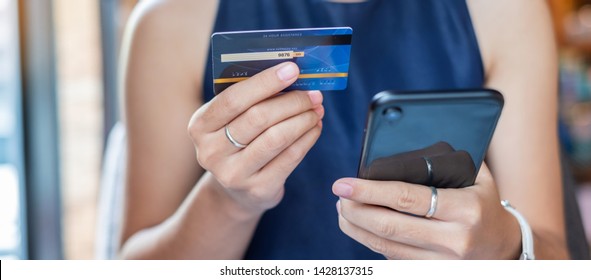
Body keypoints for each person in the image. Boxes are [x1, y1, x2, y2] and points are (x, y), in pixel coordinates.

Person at [116, 0, 568, 259]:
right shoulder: (171, 19)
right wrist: (229, 201)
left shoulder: (505, 11)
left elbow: (553, 252)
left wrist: (505, 245)